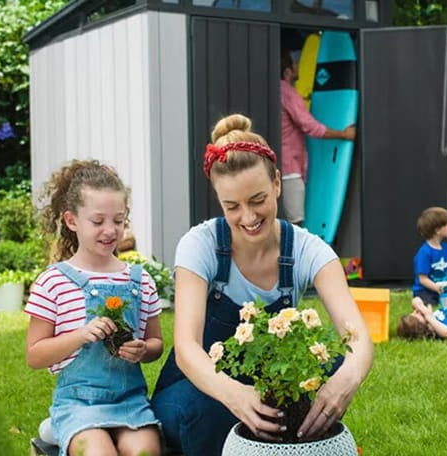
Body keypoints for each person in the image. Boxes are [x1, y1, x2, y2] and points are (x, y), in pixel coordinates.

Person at [151, 113, 374, 455]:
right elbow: (187, 349)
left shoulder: (307, 250)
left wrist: (347, 379)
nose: (249, 217)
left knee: (330, 367)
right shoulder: (200, 245)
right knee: (209, 412)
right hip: (196, 390)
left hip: (267, 383)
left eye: (257, 200)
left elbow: (356, 337)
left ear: (277, 185)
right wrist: (234, 395)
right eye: (232, 206)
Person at [24, 160, 164, 456]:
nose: (110, 230)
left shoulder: (140, 279)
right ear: (72, 221)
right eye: (98, 221)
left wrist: (143, 350)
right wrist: (80, 335)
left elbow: (156, 344)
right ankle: (61, 427)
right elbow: (34, 355)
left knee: (146, 451)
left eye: (119, 220)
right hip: (78, 404)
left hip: (130, 400)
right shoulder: (54, 281)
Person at [280, 50, 356, 225]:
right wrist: (344, 134)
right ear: (288, 71)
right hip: (290, 170)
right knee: (295, 224)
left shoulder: (275, 91)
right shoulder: (287, 92)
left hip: (279, 168)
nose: (299, 66)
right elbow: (310, 127)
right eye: (295, 63)